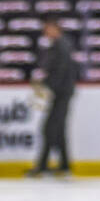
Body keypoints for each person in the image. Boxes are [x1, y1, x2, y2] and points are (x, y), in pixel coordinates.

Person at [26, 15, 77, 177]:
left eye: (47, 29)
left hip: (61, 93)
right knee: (57, 130)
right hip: (60, 92)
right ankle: (63, 165)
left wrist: (47, 86)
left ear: (55, 28)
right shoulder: (60, 45)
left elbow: (60, 71)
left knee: (49, 129)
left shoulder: (61, 46)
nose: (45, 32)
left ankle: (44, 166)